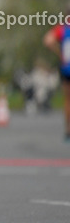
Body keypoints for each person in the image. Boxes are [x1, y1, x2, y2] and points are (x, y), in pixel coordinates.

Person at [42, 10, 70, 141]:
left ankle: (68, 131)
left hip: (66, 68)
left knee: (67, 100)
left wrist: (60, 53)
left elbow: (48, 40)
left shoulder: (62, 29)